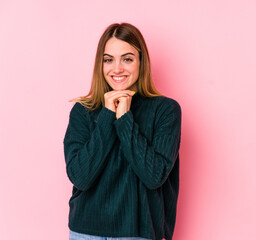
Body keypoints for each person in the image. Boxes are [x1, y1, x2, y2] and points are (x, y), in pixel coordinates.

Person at [63, 23, 181, 240]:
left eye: (127, 59)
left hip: (138, 231)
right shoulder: (83, 111)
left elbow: (154, 176)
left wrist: (125, 118)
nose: (117, 68)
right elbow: (80, 177)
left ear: (141, 62)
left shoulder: (165, 110)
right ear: (101, 64)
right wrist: (108, 116)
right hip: (85, 232)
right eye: (109, 59)